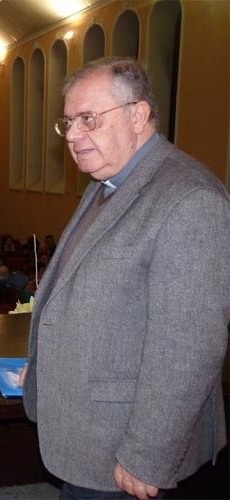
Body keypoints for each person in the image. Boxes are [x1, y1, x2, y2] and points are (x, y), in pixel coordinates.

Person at [20, 57, 230, 500]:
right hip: (93, 433)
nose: (74, 136)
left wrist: (147, 455)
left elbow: (189, 345)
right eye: (69, 122)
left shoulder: (189, 198)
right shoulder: (109, 183)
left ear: (138, 115)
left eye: (88, 119)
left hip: (129, 453)